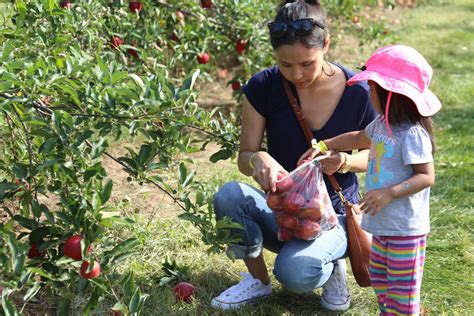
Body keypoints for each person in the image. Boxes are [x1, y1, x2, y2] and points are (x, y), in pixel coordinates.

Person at [211, 0, 377, 311]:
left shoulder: (359, 92)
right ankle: (257, 282)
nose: (296, 74)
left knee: (295, 273)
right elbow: (245, 156)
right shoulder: (263, 87)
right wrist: (258, 159)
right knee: (229, 196)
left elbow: (379, 157)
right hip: (283, 209)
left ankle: (331, 262)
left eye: (306, 63)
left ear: (326, 44)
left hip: (335, 215)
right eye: (285, 65)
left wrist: (343, 160)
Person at [301, 44, 441, 315]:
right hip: (381, 225)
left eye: (374, 90)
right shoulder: (381, 125)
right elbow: (356, 138)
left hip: (405, 230)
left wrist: (390, 192)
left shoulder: (412, 134)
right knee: (380, 278)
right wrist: (323, 145)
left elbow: (426, 176)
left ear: (392, 97)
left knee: (402, 289)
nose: (370, 94)